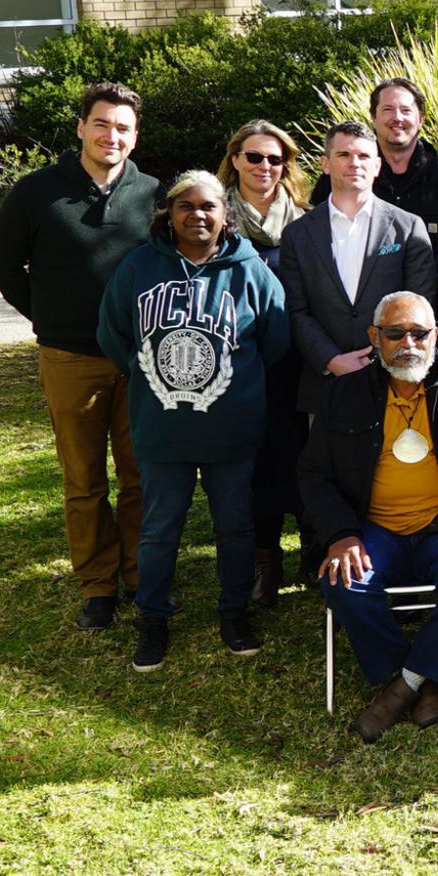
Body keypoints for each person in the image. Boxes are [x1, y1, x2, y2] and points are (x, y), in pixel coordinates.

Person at [96, 170, 289, 670]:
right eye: (187, 206)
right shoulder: (139, 267)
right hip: (162, 428)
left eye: (209, 207)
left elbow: (275, 337)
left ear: (226, 216)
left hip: (231, 426)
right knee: (160, 529)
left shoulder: (248, 269)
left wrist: (234, 383)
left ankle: (234, 612)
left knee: (236, 526)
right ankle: (153, 619)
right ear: (169, 214)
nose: (198, 215)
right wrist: (149, 374)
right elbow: (113, 333)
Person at [306, 292, 438, 743]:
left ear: (435, 336)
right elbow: (314, 476)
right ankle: (425, 677)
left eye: (420, 333)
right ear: (374, 338)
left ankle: (400, 689)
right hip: (373, 530)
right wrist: (341, 536)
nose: (409, 344)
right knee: (344, 582)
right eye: (395, 334)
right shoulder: (341, 395)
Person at [0, 82, 156, 630]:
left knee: (140, 475)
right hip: (69, 358)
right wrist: (47, 316)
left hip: (139, 362)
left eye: (123, 127)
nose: (113, 135)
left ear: (135, 136)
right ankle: (97, 584)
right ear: (82, 127)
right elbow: (4, 267)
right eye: (102, 124)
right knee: (84, 479)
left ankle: (139, 574)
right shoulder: (36, 192)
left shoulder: (152, 193)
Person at [278, 122, 437, 416]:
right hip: (325, 388)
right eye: (344, 155)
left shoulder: (408, 227)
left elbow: (419, 308)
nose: (354, 163)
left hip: (395, 380)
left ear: (377, 166)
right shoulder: (297, 235)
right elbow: (295, 311)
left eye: (364, 156)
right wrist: (332, 360)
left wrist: (381, 359)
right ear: (325, 164)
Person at [219, 119, 312, 606]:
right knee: (253, 464)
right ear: (235, 159)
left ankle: (316, 551)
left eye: (275, 159)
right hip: (239, 367)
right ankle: (263, 559)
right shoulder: (212, 218)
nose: (264, 166)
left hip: (299, 363)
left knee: (303, 455)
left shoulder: (305, 220)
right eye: (254, 156)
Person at [308, 78, 438, 272]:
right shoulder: (342, 178)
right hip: (361, 299)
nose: (397, 117)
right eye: (388, 109)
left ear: (421, 119)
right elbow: (315, 240)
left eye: (406, 110)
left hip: (432, 301)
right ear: (373, 117)